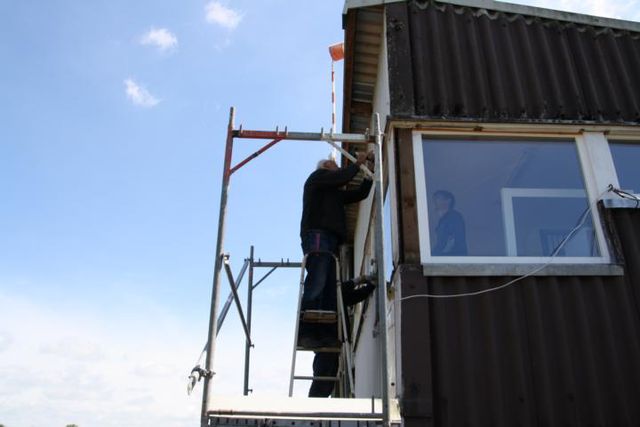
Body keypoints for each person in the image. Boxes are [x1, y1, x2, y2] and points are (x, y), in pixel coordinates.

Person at [299, 151, 375, 397]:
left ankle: (320, 335)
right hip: (318, 235)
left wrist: (370, 174)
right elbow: (341, 177)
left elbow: (359, 194)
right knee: (318, 281)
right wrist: (359, 162)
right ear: (324, 168)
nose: (335, 168)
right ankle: (306, 332)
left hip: (330, 240)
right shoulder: (317, 179)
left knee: (329, 290)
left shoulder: (332, 193)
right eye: (332, 165)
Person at [432, 190, 468, 256]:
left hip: (454, 257)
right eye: (435, 199)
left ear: (448, 201)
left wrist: (436, 255)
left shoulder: (454, 217)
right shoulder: (443, 219)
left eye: (438, 198)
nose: (435, 201)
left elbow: (450, 242)